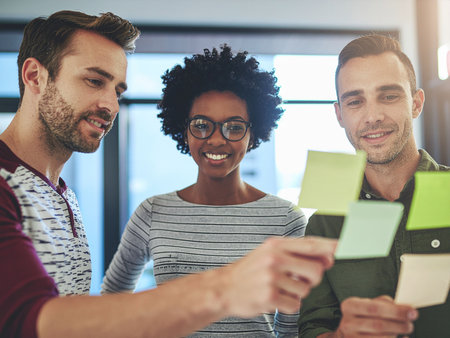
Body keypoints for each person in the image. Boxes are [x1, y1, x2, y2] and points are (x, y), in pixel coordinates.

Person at [0, 10, 338, 338]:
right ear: (34, 76)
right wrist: (223, 287)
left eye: (117, 91)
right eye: (94, 81)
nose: (112, 105)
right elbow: (28, 319)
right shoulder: (5, 184)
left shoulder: (60, 193)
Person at [102, 45, 307, 337]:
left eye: (234, 127)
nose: (216, 140)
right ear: (184, 130)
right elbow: (113, 301)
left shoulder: (285, 218)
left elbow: (290, 328)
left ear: (254, 132)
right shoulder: (152, 212)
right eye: (201, 125)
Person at [297, 34, 450, 337]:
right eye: (355, 101)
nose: (373, 116)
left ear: (416, 103)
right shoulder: (325, 225)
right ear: (340, 114)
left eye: (389, 96)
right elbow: (313, 328)